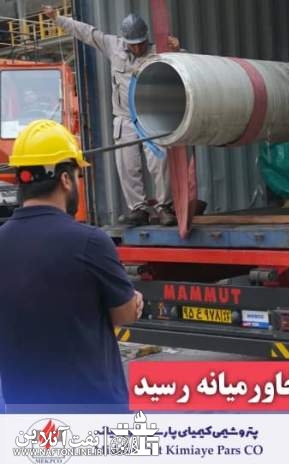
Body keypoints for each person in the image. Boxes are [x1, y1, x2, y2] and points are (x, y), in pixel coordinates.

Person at [0, 120, 143, 408]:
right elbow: (124, 313)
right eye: (77, 175)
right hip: (91, 407)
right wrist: (134, 300)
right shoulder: (90, 242)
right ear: (65, 179)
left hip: (22, 409)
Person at [42, 5, 179, 226]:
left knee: (160, 161)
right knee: (127, 164)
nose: (137, 48)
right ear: (125, 40)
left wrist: (178, 49)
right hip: (125, 118)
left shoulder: (159, 52)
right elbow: (86, 32)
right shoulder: (113, 46)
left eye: (141, 43)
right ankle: (139, 208)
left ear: (147, 39)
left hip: (151, 117)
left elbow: (186, 67)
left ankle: (165, 206)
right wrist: (57, 18)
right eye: (133, 44)